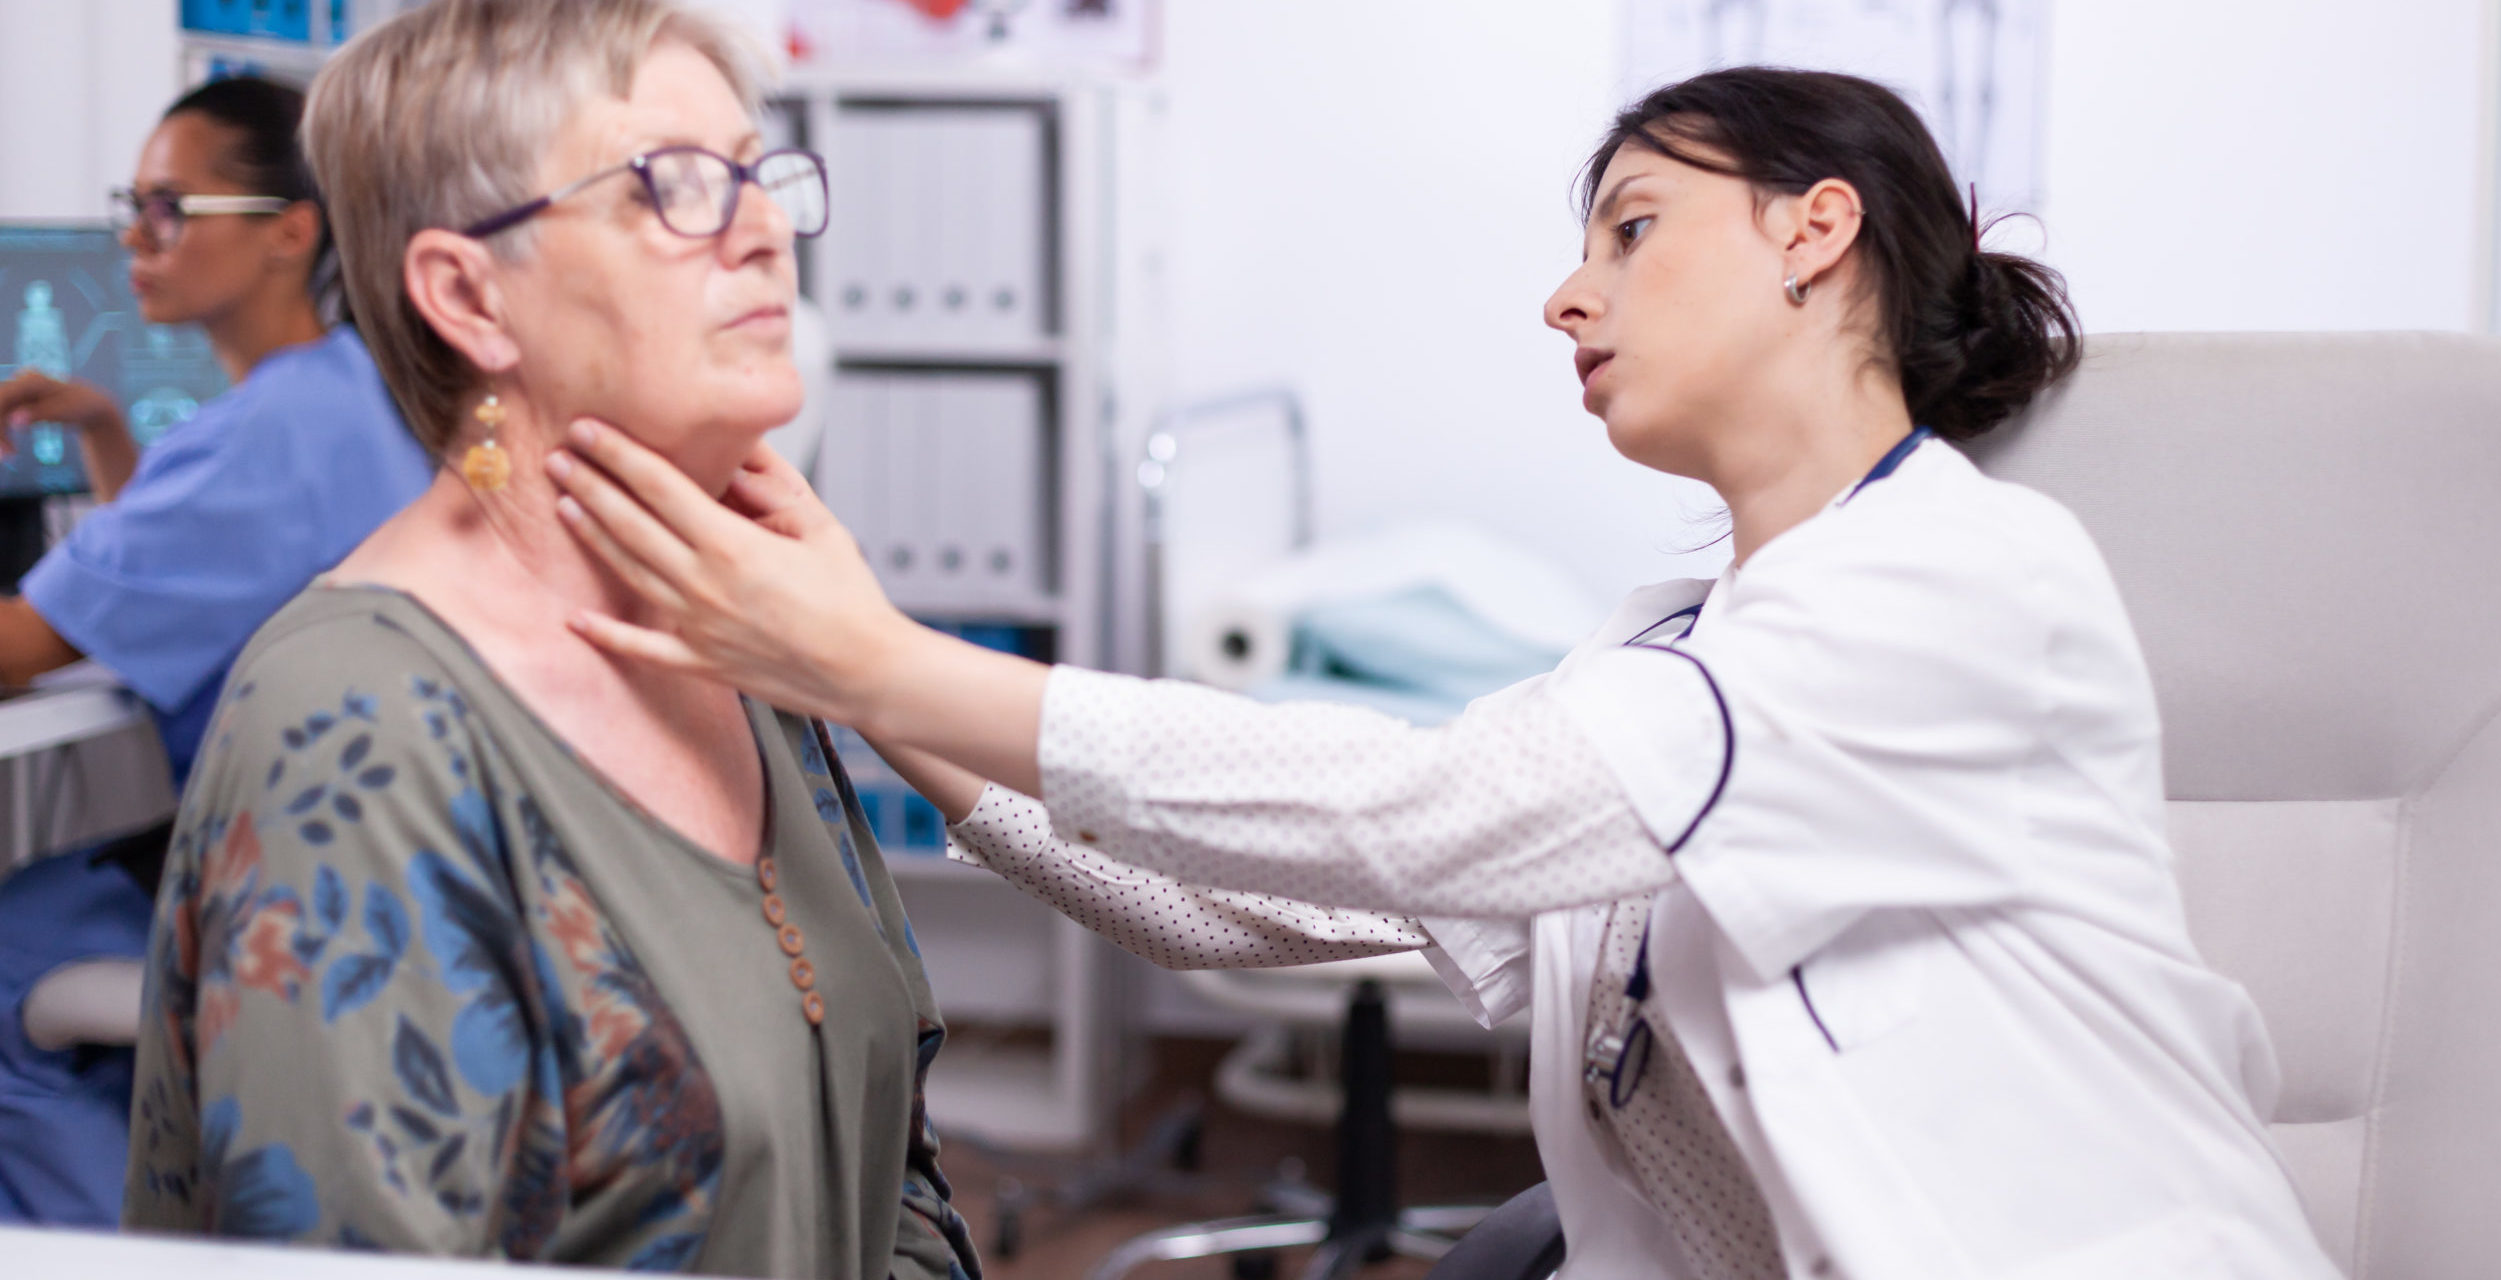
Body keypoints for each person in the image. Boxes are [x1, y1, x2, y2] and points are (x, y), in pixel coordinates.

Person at [547, 68, 2340, 1278]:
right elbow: (1260, 916)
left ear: (1816, 230)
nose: (1567, 298)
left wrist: (888, 657)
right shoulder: (1672, 652)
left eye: (1630, 228)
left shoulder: (1953, 584)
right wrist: (881, 706)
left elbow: (1424, 813)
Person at [123, 4, 977, 1277]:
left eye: (755, 171)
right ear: (469, 294)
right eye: (672, 186)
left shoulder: (738, 630)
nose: (760, 229)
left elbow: (886, 1170)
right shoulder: (355, 731)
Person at [0, 76, 431, 1228]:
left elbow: (16, 647)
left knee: (7, 953)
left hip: (295, 890)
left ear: (292, 232)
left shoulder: (260, 437)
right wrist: (102, 425)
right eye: (130, 207)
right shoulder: (354, 388)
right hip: (392, 862)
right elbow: (176, 568)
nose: (137, 239)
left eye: (168, 209)